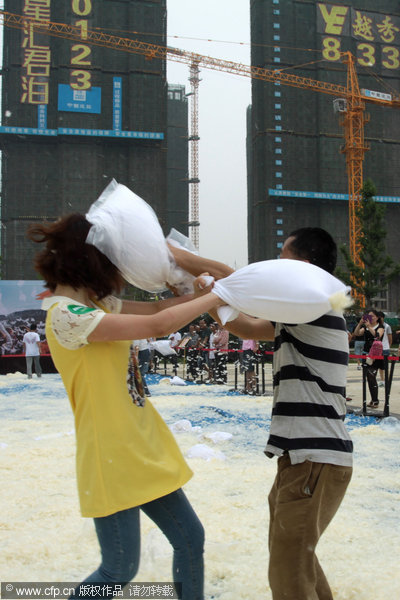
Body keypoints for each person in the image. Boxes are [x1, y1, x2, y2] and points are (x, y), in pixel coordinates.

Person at [27, 214, 224, 600]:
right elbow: (157, 326)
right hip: (112, 454)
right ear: (91, 259)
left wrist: (201, 291)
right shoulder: (66, 315)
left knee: (190, 538)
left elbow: (156, 312)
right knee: (118, 568)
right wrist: (216, 297)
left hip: (140, 446)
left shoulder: (98, 305)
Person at [170, 227, 353, 600]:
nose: (276, 262)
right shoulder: (305, 311)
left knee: (288, 575)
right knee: (298, 563)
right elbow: (246, 324)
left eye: (282, 254)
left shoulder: (317, 303)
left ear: (302, 265)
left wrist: (176, 256)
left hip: (314, 456)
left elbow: (238, 281)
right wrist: (202, 296)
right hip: (303, 457)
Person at [353, 309, 384, 408]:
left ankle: (375, 400)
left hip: (375, 355)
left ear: (377, 317)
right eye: (368, 316)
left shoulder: (380, 327)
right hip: (366, 353)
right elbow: (357, 333)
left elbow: (377, 335)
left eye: (372, 316)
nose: (370, 318)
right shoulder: (365, 327)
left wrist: (369, 326)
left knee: (372, 376)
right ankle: (373, 399)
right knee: (368, 377)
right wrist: (360, 324)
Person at [378, 311, 392, 387]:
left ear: (383, 318)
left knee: (386, 366)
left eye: (380, 317)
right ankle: (382, 380)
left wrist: (388, 346)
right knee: (380, 366)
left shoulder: (387, 326)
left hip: (385, 348)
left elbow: (390, 338)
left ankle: (387, 380)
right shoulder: (377, 326)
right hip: (378, 348)